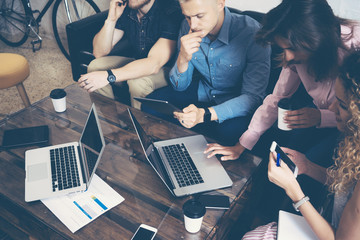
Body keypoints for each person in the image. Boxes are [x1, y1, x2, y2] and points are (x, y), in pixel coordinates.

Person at [205, 0, 360, 165]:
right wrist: (242, 144)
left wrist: (323, 117)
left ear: (315, 39)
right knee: (286, 159)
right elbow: (276, 99)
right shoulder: (298, 56)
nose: (287, 58)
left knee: (312, 164)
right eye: (283, 49)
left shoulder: (354, 47)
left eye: (292, 48)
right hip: (324, 118)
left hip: (352, 127)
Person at [242, 50, 360, 240]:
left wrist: (294, 192)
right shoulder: (355, 141)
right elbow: (345, 185)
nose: (331, 108)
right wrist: (307, 166)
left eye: (343, 105)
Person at [142, 0, 271, 146]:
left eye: (200, 16)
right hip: (204, 90)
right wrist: (183, 59)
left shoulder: (252, 33)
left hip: (236, 100)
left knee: (229, 132)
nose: (193, 25)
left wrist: (205, 114)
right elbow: (180, 87)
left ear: (220, 4)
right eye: (188, 17)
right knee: (151, 105)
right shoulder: (187, 27)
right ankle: (174, 154)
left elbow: (252, 98)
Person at [78, 0, 183, 109]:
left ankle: (140, 125)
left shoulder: (171, 11)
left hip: (169, 71)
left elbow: (153, 64)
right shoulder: (127, 9)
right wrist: (111, 19)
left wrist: (109, 76)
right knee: (95, 66)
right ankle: (110, 124)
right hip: (139, 62)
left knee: (137, 83)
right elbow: (99, 52)